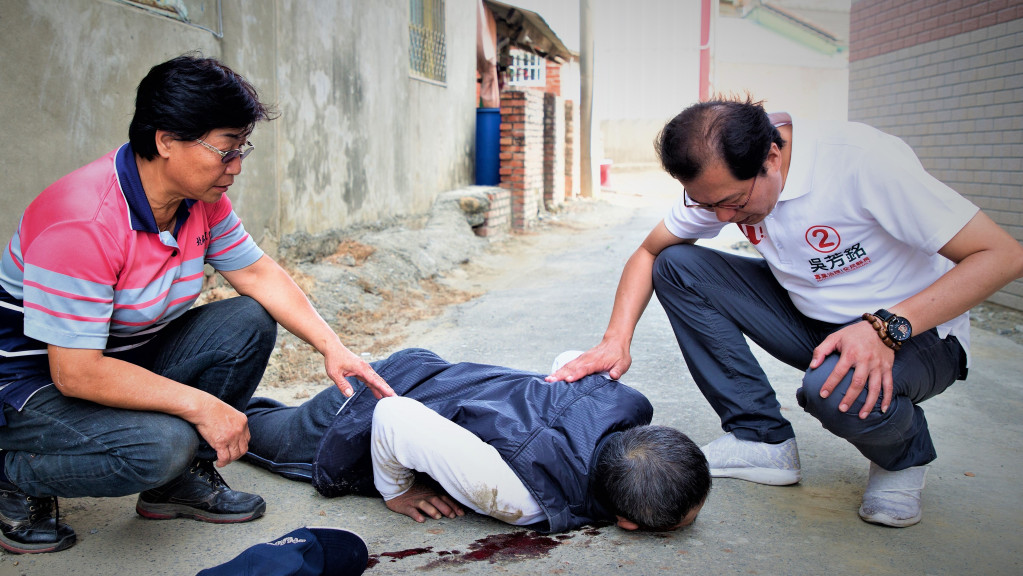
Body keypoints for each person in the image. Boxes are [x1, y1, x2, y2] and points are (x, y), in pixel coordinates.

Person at [548, 95, 1023, 528]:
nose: (721, 219)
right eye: (706, 204)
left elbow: (1002, 255)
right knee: (677, 264)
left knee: (832, 392)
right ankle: (761, 440)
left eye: (733, 202)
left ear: (771, 158)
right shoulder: (723, 180)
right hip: (813, 321)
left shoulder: (861, 163)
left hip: (920, 334)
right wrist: (616, 339)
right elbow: (647, 254)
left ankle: (904, 457)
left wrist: (885, 327)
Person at [0, 54, 394, 555]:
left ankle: (176, 484)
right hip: (33, 385)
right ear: (166, 140)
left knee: (249, 319)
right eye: (225, 150)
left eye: (242, 148)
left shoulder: (199, 201)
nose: (236, 166)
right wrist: (205, 407)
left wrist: (332, 348)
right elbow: (75, 373)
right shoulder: (84, 222)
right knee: (164, 445)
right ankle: (15, 472)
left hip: (116, 356)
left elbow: (256, 273)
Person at [242, 348, 711, 533]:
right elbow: (393, 416)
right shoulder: (525, 497)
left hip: (427, 371)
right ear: (626, 522)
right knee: (240, 428)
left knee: (265, 412)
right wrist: (398, 490)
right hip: (358, 413)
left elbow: (567, 359)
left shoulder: (622, 399)